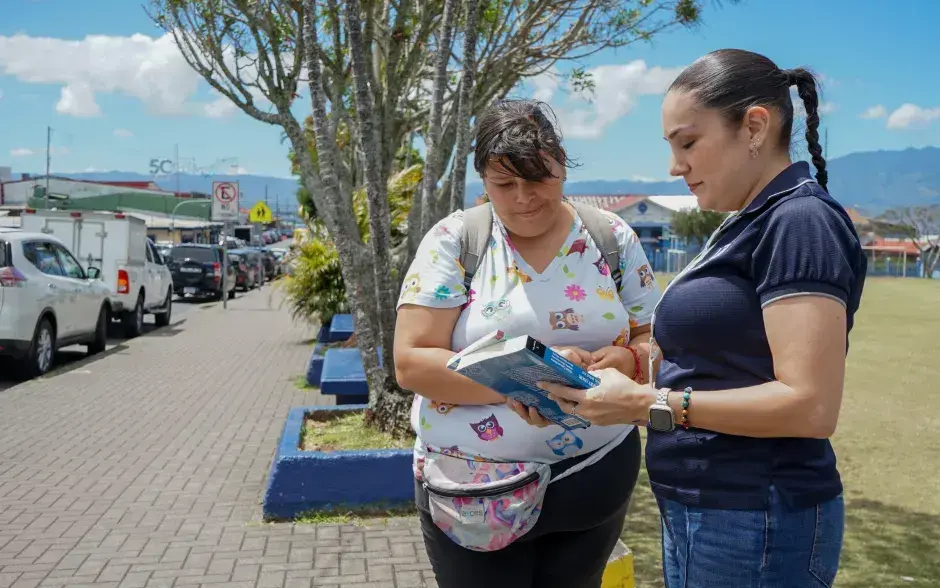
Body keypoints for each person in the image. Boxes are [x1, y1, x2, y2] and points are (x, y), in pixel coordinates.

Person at [536, 49, 867, 588]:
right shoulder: (750, 220)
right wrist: (617, 372)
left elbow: (810, 406)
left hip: (754, 518)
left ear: (754, 126)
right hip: (713, 513)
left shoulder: (800, 220)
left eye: (688, 143)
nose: (675, 166)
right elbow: (717, 365)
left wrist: (649, 405)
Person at [393, 99, 662, 588]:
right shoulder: (456, 241)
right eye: (504, 184)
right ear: (483, 182)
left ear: (561, 164)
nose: (524, 197)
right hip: (474, 489)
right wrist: (527, 382)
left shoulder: (610, 237)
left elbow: (655, 338)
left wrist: (626, 359)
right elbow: (412, 364)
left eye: (538, 178)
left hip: (594, 474)